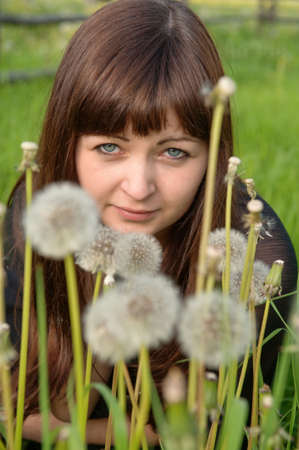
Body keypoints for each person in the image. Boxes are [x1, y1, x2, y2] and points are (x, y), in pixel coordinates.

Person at [4, 0, 297, 447]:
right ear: (69, 142)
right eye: (109, 147)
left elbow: (220, 431)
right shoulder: (43, 214)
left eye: (174, 151)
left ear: (212, 154)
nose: (139, 187)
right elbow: (16, 414)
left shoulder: (254, 257)